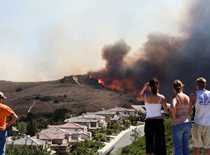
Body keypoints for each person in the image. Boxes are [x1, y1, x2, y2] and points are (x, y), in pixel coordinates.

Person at [138, 78, 168, 155]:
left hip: (149, 122)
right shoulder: (162, 97)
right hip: (159, 122)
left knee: (149, 145)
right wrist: (162, 113)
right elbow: (166, 111)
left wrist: (144, 87)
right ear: (158, 86)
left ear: (149, 87)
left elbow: (138, 97)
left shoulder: (145, 96)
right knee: (159, 145)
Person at [170, 80, 192, 155]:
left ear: (173, 88)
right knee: (186, 146)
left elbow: (173, 106)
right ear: (182, 87)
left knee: (178, 147)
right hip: (187, 123)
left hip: (177, 124)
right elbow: (190, 109)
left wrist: (174, 116)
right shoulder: (187, 97)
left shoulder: (175, 97)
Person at [190, 77, 210, 155]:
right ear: (205, 85)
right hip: (208, 124)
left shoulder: (194, 94)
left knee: (196, 147)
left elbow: (189, 110)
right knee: (208, 147)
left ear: (197, 85)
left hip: (197, 123)